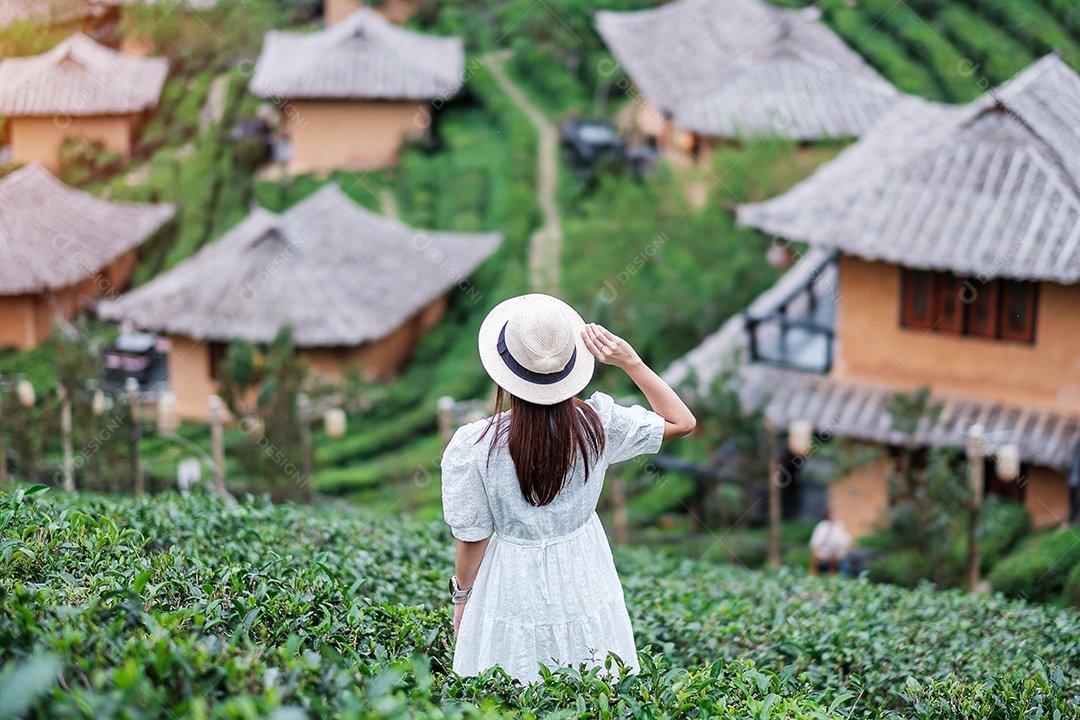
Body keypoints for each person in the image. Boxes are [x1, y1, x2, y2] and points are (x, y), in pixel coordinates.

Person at [441, 293, 696, 683]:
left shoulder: (475, 445)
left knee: (513, 685)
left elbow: (473, 537)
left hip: (511, 577)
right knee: (591, 680)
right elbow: (681, 421)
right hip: (585, 568)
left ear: (504, 371)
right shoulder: (598, 426)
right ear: (570, 365)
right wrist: (632, 362)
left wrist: (462, 600)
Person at [810, 508, 853, 576]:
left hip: (837, 558)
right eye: (833, 514)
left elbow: (844, 539)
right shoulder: (823, 527)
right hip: (825, 557)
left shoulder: (839, 525)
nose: (836, 516)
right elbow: (816, 543)